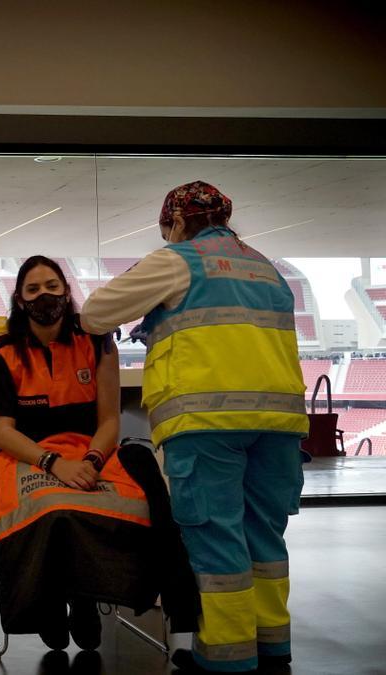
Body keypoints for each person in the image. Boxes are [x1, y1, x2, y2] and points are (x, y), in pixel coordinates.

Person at [80, 181, 308, 674]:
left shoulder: (176, 259)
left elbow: (96, 315)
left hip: (208, 421)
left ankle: (226, 658)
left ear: (178, 222)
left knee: (215, 534)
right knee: (266, 539)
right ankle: (273, 649)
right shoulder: (268, 268)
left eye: (168, 227)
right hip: (281, 422)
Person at [0, 256, 198, 651]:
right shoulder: (3, 351)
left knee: (125, 507)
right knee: (52, 512)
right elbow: (2, 432)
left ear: (67, 293)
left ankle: (84, 598)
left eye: (52, 286)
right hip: (29, 455)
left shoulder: (97, 340)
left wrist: (88, 462)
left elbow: (109, 421)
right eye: (33, 289)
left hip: (93, 452)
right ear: (19, 300)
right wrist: (54, 464)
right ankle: (50, 606)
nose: (44, 296)